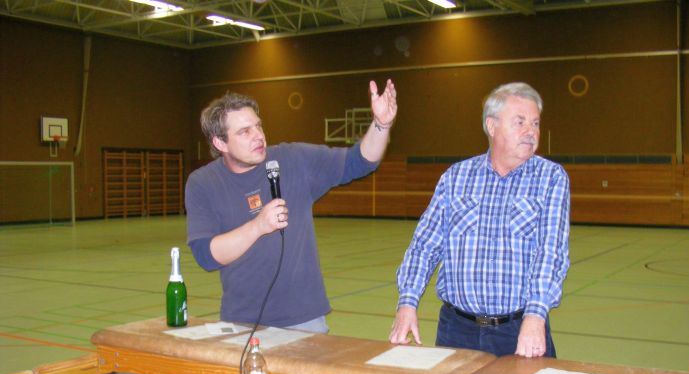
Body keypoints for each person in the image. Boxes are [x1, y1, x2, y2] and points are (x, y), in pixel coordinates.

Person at [186, 80, 397, 333]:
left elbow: (359, 161)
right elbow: (206, 256)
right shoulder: (203, 183)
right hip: (242, 321)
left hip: (304, 320)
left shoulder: (294, 159)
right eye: (244, 132)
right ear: (220, 143)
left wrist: (381, 124)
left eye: (258, 126)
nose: (258, 136)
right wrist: (258, 226)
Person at [389, 82, 569, 357]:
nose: (531, 132)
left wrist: (535, 316)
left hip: (520, 328)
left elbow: (551, 252)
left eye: (535, 123)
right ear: (492, 126)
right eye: (520, 122)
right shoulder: (456, 177)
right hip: (456, 331)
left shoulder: (551, 178)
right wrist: (407, 302)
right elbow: (424, 245)